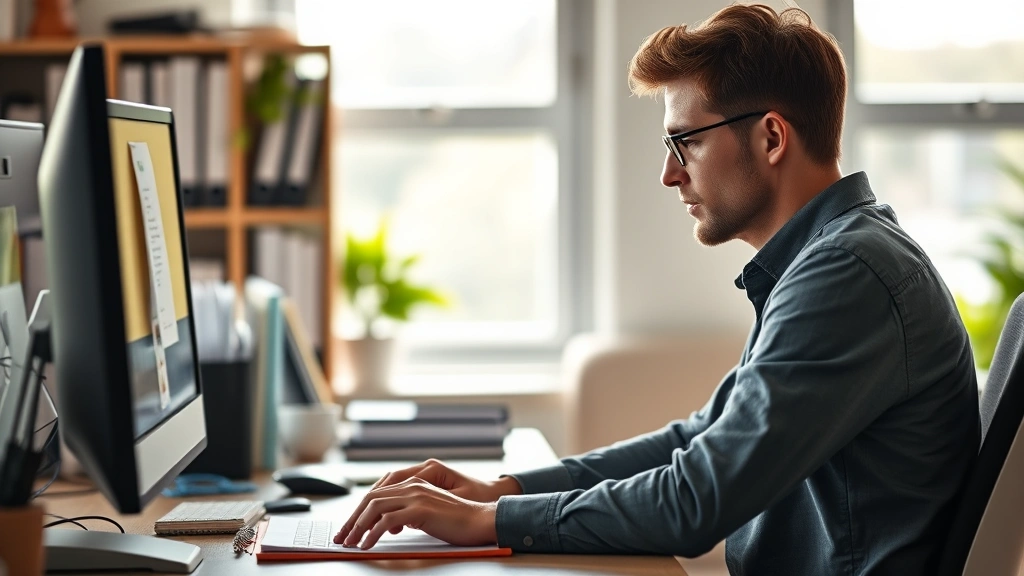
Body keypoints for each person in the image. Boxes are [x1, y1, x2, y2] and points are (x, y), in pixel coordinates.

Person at [334, 4, 980, 574]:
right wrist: (500, 492)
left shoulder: (848, 276)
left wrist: (489, 524)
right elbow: (699, 439)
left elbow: (697, 499)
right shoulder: (827, 260)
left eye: (685, 142)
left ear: (772, 137)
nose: (669, 174)